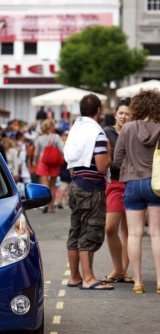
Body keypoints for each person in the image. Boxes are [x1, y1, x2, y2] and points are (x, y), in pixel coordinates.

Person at [63, 93, 113, 290]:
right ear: (98, 111)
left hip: (76, 185)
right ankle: (89, 278)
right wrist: (110, 154)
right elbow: (101, 166)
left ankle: (75, 277)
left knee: (75, 231)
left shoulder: (75, 131)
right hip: (91, 187)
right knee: (90, 231)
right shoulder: (97, 134)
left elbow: (70, 162)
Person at [114, 89, 160, 294]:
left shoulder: (128, 128)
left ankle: (138, 282)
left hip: (132, 183)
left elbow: (116, 159)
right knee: (157, 234)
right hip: (156, 184)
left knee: (134, 234)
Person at [102, 98, 134, 284]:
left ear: (132, 116)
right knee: (110, 227)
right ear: (115, 114)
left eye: (127, 113)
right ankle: (118, 268)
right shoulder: (107, 133)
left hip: (131, 183)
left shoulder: (134, 133)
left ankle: (124, 271)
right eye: (121, 113)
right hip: (113, 183)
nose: (123, 116)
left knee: (129, 231)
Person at [33, 119, 64, 213]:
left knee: (45, 185)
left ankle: (45, 204)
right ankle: (51, 207)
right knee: (53, 185)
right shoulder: (56, 137)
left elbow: (36, 153)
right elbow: (62, 149)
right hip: (54, 162)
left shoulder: (40, 138)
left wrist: (35, 162)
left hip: (43, 162)